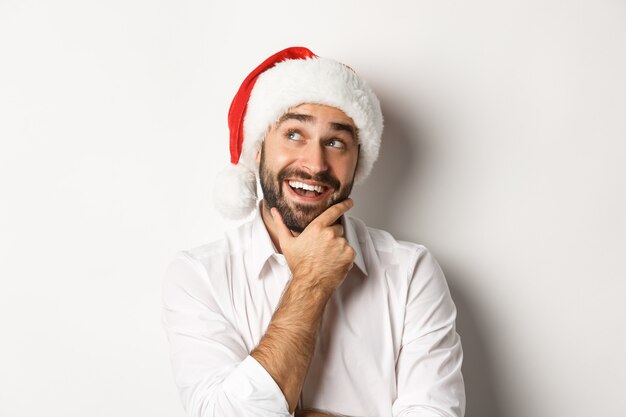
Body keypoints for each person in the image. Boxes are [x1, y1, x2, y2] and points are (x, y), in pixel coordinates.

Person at [162, 47, 465, 417]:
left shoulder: (410, 271)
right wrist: (311, 282)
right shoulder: (199, 276)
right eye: (294, 134)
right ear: (257, 150)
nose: (315, 164)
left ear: (358, 161)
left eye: (336, 142)